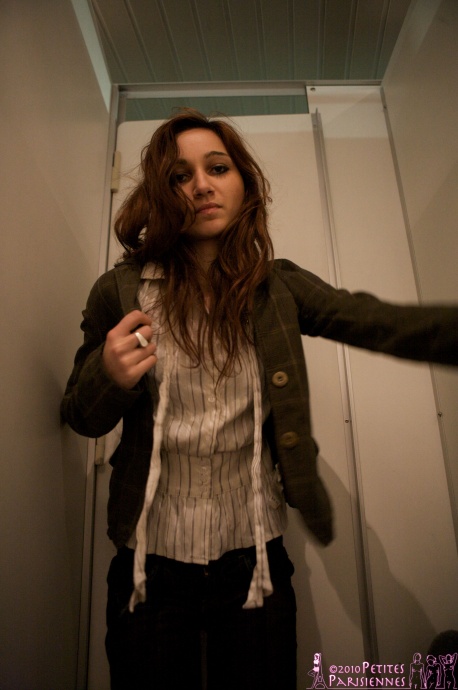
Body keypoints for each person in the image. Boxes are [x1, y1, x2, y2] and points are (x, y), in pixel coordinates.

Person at [61, 109, 458, 690]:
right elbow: (79, 414)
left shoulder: (278, 286)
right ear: (162, 194)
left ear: (243, 181)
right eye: (180, 176)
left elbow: (375, 320)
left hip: (254, 557)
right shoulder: (118, 291)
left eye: (217, 168)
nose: (201, 185)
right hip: (148, 561)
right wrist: (109, 374)